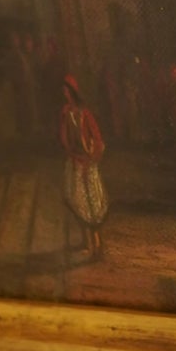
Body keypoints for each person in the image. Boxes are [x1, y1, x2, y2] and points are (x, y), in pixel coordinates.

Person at [59, 75, 108, 258]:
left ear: (72, 92)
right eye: (63, 90)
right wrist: (70, 153)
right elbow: (65, 136)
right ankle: (85, 240)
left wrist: (91, 160)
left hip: (87, 163)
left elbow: (98, 140)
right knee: (77, 202)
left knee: (92, 206)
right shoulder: (66, 112)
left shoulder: (85, 114)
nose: (64, 93)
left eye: (67, 90)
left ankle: (97, 245)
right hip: (74, 162)